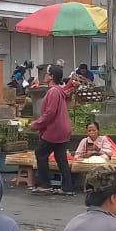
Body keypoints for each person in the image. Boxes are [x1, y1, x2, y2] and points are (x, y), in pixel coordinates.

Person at [30, 65, 74, 195]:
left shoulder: (53, 91)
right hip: (62, 129)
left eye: (47, 73)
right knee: (61, 157)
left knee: (40, 153)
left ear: (51, 76)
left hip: (55, 130)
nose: (45, 75)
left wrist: (36, 124)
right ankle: (67, 187)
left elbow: (50, 113)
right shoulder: (58, 90)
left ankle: (44, 184)